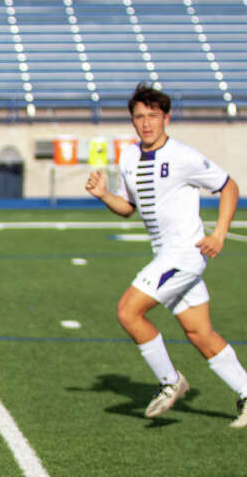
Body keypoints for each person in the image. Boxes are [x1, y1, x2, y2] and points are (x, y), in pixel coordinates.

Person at [85, 83, 247, 427]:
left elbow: (229, 186)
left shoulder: (184, 156)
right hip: (165, 255)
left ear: (166, 118)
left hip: (184, 255)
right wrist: (103, 195)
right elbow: (128, 208)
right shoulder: (128, 157)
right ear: (132, 121)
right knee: (199, 333)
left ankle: (171, 382)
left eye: (153, 116)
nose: (146, 123)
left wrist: (218, 234)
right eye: (139, 117)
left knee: (128, 312)